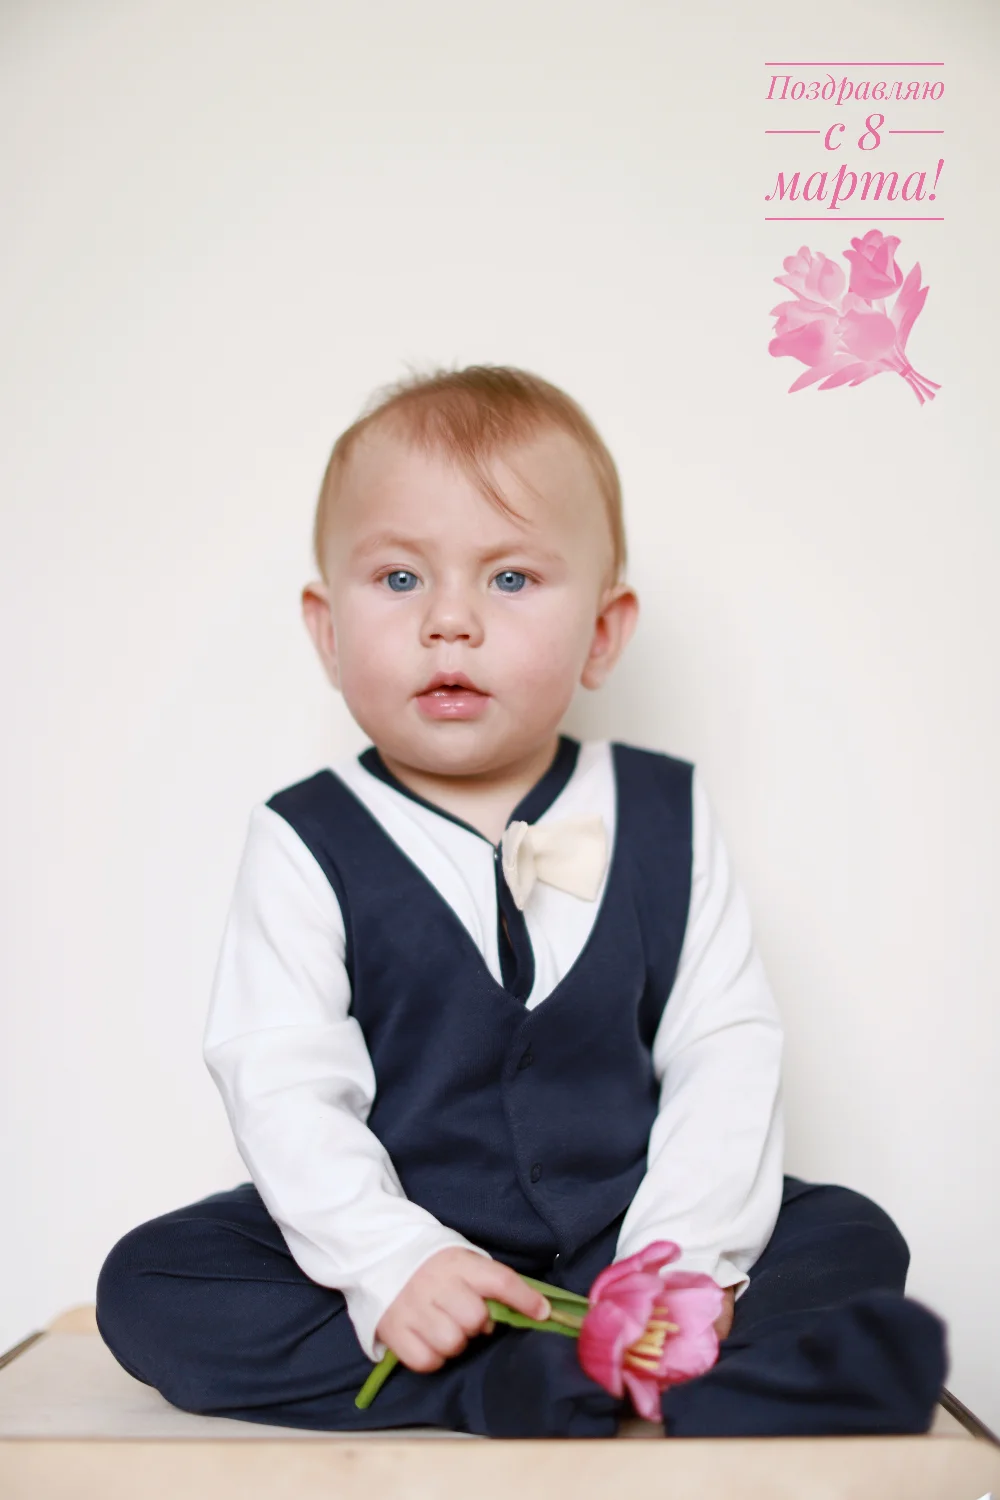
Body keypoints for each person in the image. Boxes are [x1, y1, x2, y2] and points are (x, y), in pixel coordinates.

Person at [95, 365, 947, 1438]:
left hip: (625, 1237)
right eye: (398, 578)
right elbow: (280, 1079)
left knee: (851, 1234)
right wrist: (392, 1259)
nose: (449, 621)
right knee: (152, 1281)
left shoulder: (664, 811)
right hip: (422, 1258)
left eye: (509, 578)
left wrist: (677, 1261)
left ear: (602, 632)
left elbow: (723, 1048)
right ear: (326, 629)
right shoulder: (303, 834)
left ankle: (664, 1355)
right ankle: (489, 1377)